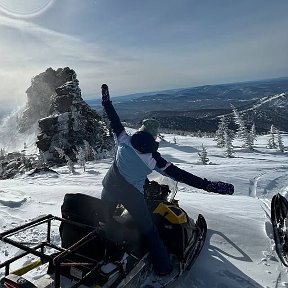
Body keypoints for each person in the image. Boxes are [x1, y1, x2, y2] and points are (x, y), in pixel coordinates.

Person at [100, 84, 234, 276]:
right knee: (150, 231)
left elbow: (113, 118)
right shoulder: (154, 159)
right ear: (154, 136)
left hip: (109, 186)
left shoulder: (124, 139)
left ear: (141, 130)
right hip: (131, 195)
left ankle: (101, 255)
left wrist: (106, 101)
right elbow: (181, 175)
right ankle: (164, 269)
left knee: (105, 221)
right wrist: (208, 185)